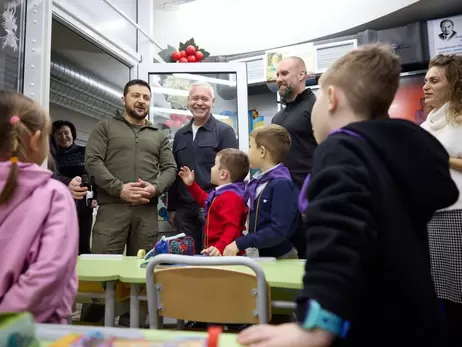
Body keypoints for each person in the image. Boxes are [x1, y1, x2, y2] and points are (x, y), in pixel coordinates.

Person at [237, 44, 457, 347]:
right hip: (418, 320)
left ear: (330, 98)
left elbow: (338, 236)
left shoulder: (342, 149)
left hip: (366, 325)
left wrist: (315, 325)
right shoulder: (401, 153)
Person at [0, 90, 78, 323]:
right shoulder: (53, 195)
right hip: (31, 330)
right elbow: (50, 271)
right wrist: (7, 319)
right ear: (35, 140)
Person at [85, 79, 177, 256]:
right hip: (112, 209)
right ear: (123, 99)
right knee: (104, 268)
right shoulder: (105, 127)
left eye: (146, 97)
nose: (141, 100)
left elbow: (170, 168)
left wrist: (155, 188)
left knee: (142, 271)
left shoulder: (158, 136)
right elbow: (93, 161)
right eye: (135, 96)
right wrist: (119, 189)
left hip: (146, 212)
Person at [168, 81, 238, 254]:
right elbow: (175, 173)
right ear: (188, 102)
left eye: (205, 99)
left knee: (212, 260)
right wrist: (172, 209)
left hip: (213, 210)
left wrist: (230, 209)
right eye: (195, 98)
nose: (199, 102)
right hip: (184, 211)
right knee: (187, 260)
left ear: (213, 102)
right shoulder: (180, 135)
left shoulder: (224, 132)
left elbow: (233, 174)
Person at [421, 54, 462, 345]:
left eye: (434, 80)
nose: (426, 86)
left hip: (458, 215)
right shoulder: (427, 124)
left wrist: (441, 159)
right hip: (433, 216)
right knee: (443, 294)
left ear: (455, 85)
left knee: (458, 295)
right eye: (425, 80)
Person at [223, 125, 299, 259]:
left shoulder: (281, 184)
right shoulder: (258, 181)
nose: (248, 151)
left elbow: (278, 229)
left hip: (279, 258)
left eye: (251, 146)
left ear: (262, 152)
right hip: (261, 255)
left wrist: (241, 243)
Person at [272, 56, 317, 258]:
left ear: (302, 75)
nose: (279, 79)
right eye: (277, 74)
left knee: (312, 256)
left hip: (308, 197)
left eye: (284, 73)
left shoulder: (315, 106)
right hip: (283, 198)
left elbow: (327, 152)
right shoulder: (278, 117)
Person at [178, 148, 248, 256]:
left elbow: (231, 228)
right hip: (217, 252)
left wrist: (219, 247)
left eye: (214, 165)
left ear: (223, 174)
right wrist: (191, 185)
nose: (211, 168)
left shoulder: (231, 197)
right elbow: (206, 201)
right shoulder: (224, 194)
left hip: (225, 255)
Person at [51, 120, 96, 255]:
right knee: (64, 244)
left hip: (83, 202)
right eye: (59, 134)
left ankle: (85, 274)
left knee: (83, 243)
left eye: (66, 133)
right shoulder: (52, 157)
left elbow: (94, 175)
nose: (63, 137)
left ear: (72, 134)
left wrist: (95, 197)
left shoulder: (84, 152)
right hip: (61, 203)